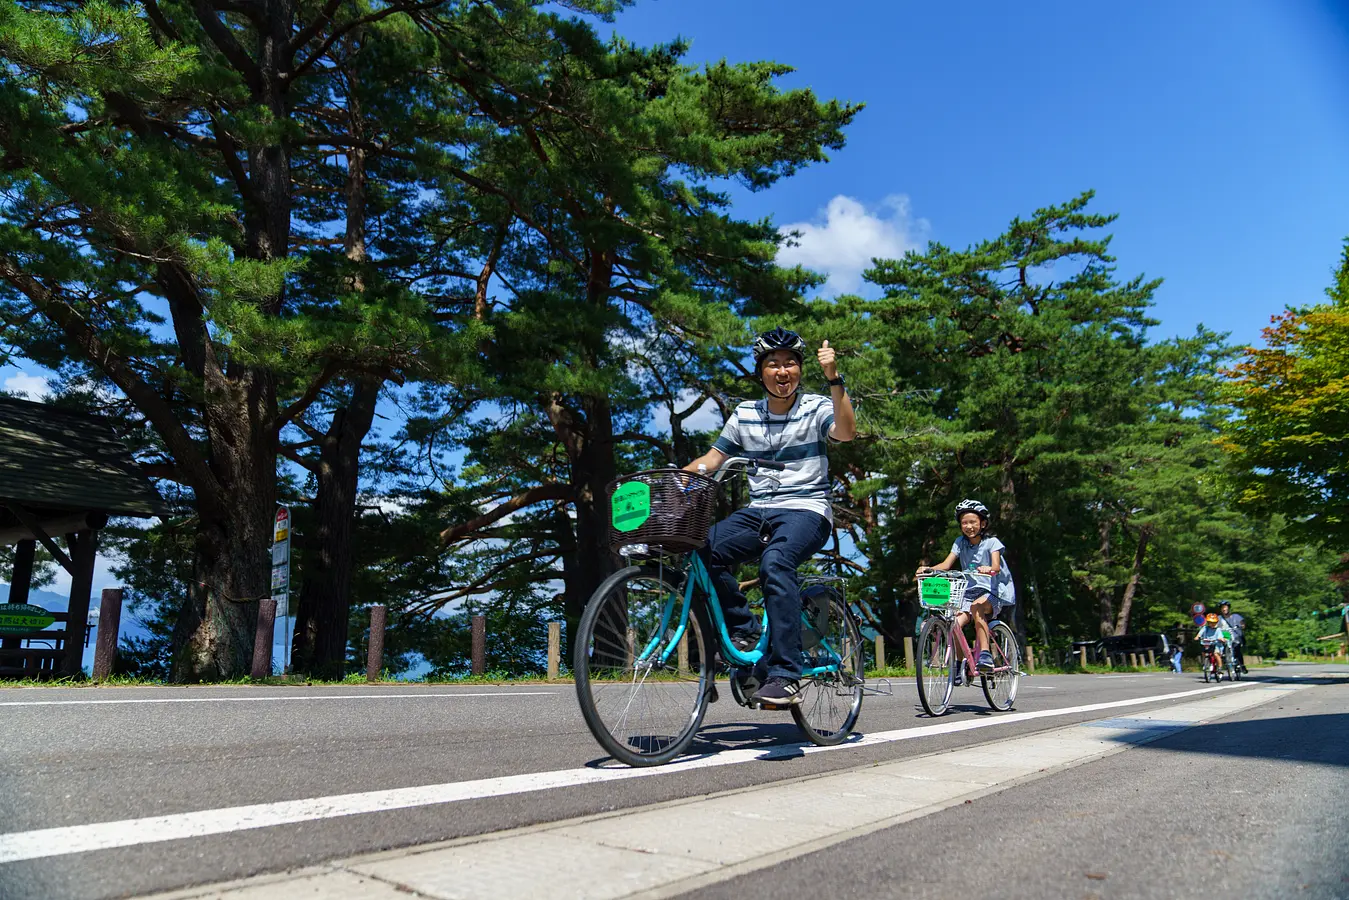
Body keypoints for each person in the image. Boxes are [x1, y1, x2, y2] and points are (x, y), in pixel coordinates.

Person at [683, 327, 856, 707]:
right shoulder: (745, 414)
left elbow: (846, 432)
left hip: (807, 509)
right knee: (700, 549)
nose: (782, 371)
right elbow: (712, 460)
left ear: (799, 370)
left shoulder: (815, 406)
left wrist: (835, 380)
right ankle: (743, 634)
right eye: (773, 364)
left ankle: (786, 673)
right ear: (760, 372)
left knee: (776, 562)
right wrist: (680, 478)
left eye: (790, 364)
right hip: (758, 512)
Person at [917, 499, 1016, 676]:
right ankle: (960, 662)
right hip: (967, 593)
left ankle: (985, 655)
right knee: (953, 622)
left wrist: (989, 569)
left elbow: (996, 566)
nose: (969, 526)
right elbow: (946, 564)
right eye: (964, 522)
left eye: (973, 522)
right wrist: (929, 569)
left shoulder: (992, 542)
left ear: (983, 523)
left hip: (991, 592)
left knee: (977, 608)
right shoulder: (960, 543)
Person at [1218, 601, 1247, 674]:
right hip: (1224, 637)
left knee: (1237, 648)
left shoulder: (1236, 616)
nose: (1224, 609)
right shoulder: (1219, 618)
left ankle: (1242, 665)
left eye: (1225, 607)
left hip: (1235, 636)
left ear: (1228, 608)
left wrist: (1241, 626)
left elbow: (1242, 624)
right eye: (1222, 608)